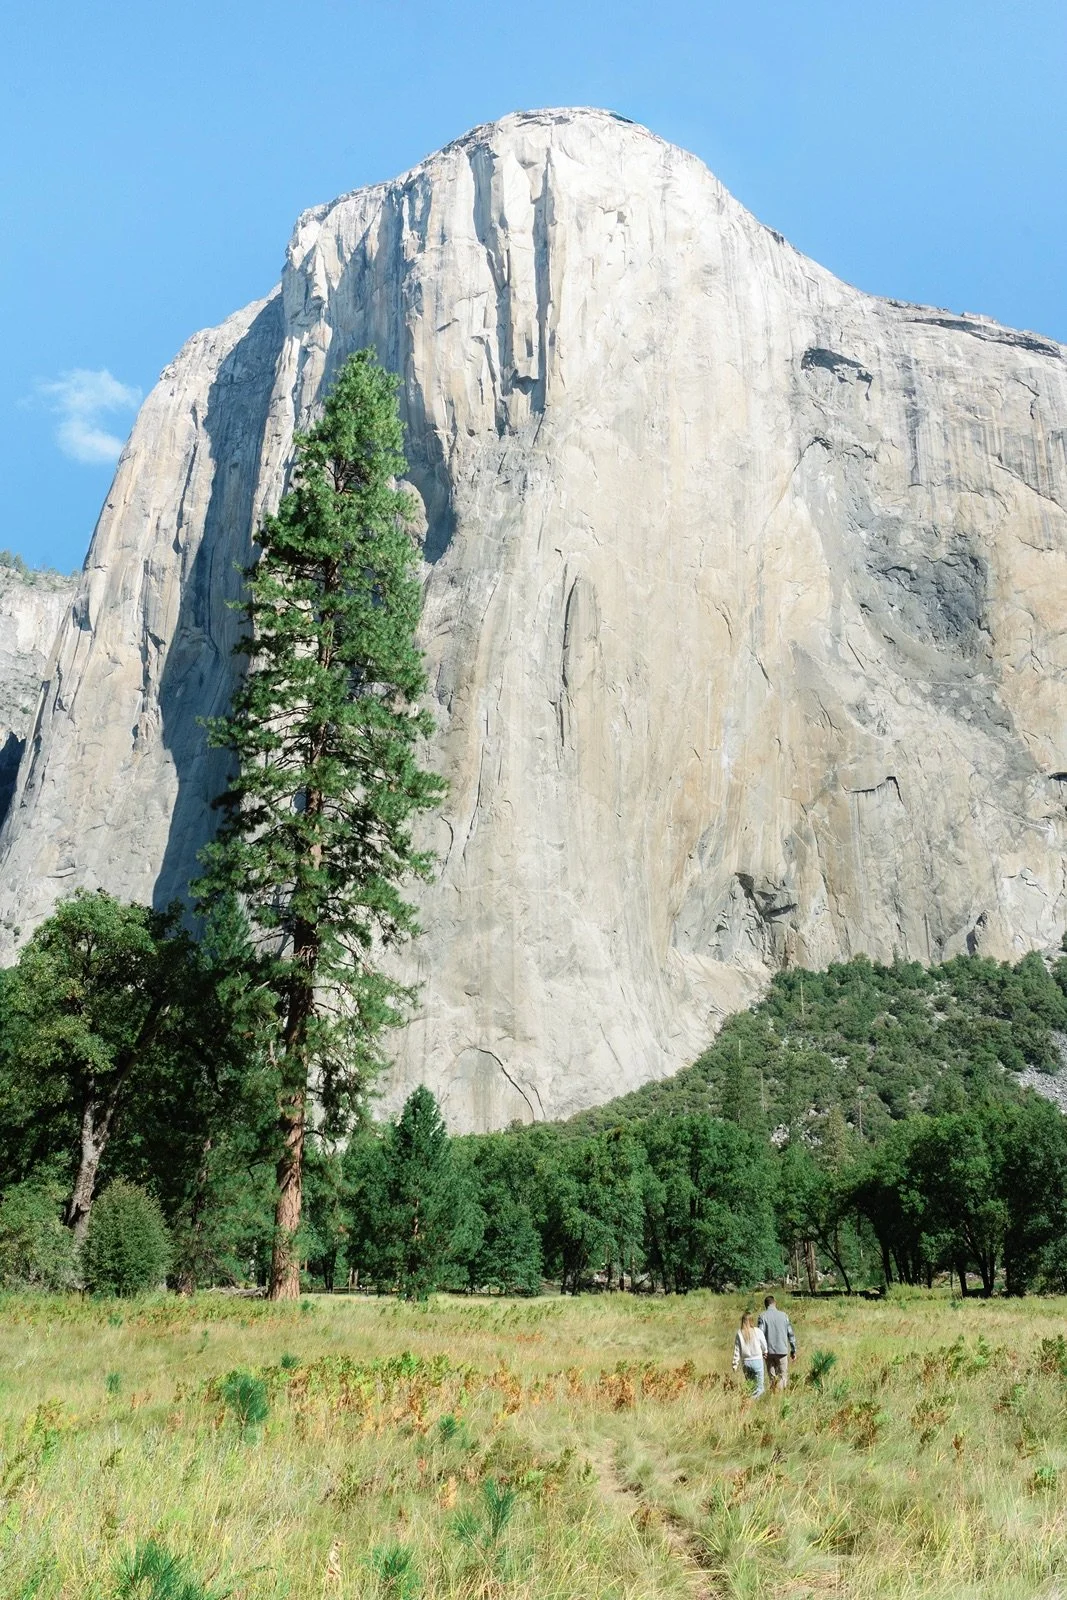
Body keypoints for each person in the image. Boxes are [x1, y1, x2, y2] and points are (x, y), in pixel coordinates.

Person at [758, 1294, 797, 1391]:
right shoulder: (784, 1316)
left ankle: (774, 1394)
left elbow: (760, 1335)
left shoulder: (762, 1316)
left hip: (768, 1352)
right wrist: (793, 1350)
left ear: (765, 1305)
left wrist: (761, 1351)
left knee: (772, 1377)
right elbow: (790, 1334)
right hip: (782, 1351)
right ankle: (780, 1395)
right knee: (783, 1376)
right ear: (775, 1303)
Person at [731, 1310, 767, 1398]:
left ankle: (749, 1403)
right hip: (757, 1360)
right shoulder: (757, 1331)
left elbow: (737, 1350)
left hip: (746, 1363)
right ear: (751, 1320)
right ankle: (751, 1401)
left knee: (750, 1386)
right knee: (760, 1388)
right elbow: (763, 1343)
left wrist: (735, 1364)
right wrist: (765, 1351)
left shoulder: (739, 1333)